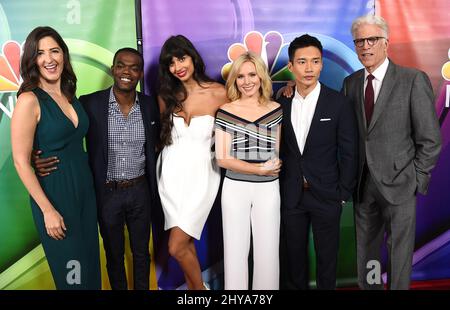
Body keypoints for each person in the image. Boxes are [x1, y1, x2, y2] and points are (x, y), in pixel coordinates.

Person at [33, 47, 160, 290]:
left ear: (141, 74)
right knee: (113, 255)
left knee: (142, 253)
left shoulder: (149, 105)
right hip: (106, 192)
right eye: (121, 65)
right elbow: (67, 136)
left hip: (140, 190)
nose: (127, 72)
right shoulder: (90, 103)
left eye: (134, 68)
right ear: (113, 69)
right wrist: (34, 156)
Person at [341, 15, 442, 290]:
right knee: (368, 253)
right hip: (363, 185)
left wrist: (416, 179)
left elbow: (430, 139)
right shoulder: (350, 84)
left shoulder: (412, 80)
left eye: (372, 39)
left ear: (386, 43)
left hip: (401, 183)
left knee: (399, 252)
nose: (365, 46)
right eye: (359, 41)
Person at [11, 26, 101, 289]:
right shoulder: (29, 100)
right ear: (32, 60)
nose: (49, 59)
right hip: (56, 196)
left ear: (64, 55)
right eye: (40, 53)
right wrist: (48, 210)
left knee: (90, 272)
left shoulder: (69, 95)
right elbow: (20, 160)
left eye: (54, 51)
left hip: (85, 194)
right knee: (74, 278)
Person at [277, 34, 358, 289]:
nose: (309, 68)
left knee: (327, 261)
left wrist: (342, 194)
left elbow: (350, 152)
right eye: (302, 62)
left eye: (315, 61)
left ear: (322, 64)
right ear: (291, 66)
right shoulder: (281, 101)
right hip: (291, 195)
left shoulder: (339, 103)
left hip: (327, 195)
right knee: (294, 261)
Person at [156, 35, 228, 290]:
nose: (178, 66)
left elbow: (250, 109)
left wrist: (286, 90)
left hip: (203, 175)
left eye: (182, 58)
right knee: (184, 246)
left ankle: (199, 291)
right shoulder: (167, 95)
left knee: (175, 246)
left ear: (193, 57)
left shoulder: (219, 93)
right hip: (170, 177)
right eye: (171, 63)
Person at [215, 52, 282, 290]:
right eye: (241, 76)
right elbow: (222, 158)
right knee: (234, 252)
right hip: (235, 188)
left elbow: (275, 153)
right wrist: (258, 170)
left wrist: (268, 170)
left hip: (268, 189)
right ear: (234, 80)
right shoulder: (225, 111)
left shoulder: (276, 110)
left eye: (252, 74)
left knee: (268, 252)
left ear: (261, 76)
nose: (247, 81)